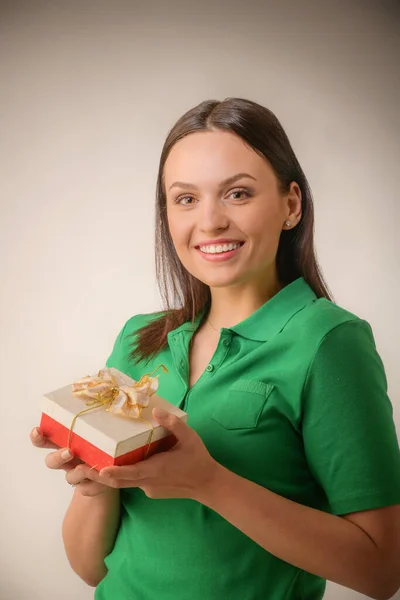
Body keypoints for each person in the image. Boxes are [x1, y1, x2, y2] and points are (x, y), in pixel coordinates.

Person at [31, 97, 400, 600]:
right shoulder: (139, 341)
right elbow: (92, 569)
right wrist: (95, 485)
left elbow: (381, 571)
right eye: (185, 199)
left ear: (291, 205)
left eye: (238, 194)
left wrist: (209, 482)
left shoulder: (330, 342)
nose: (209, 222)